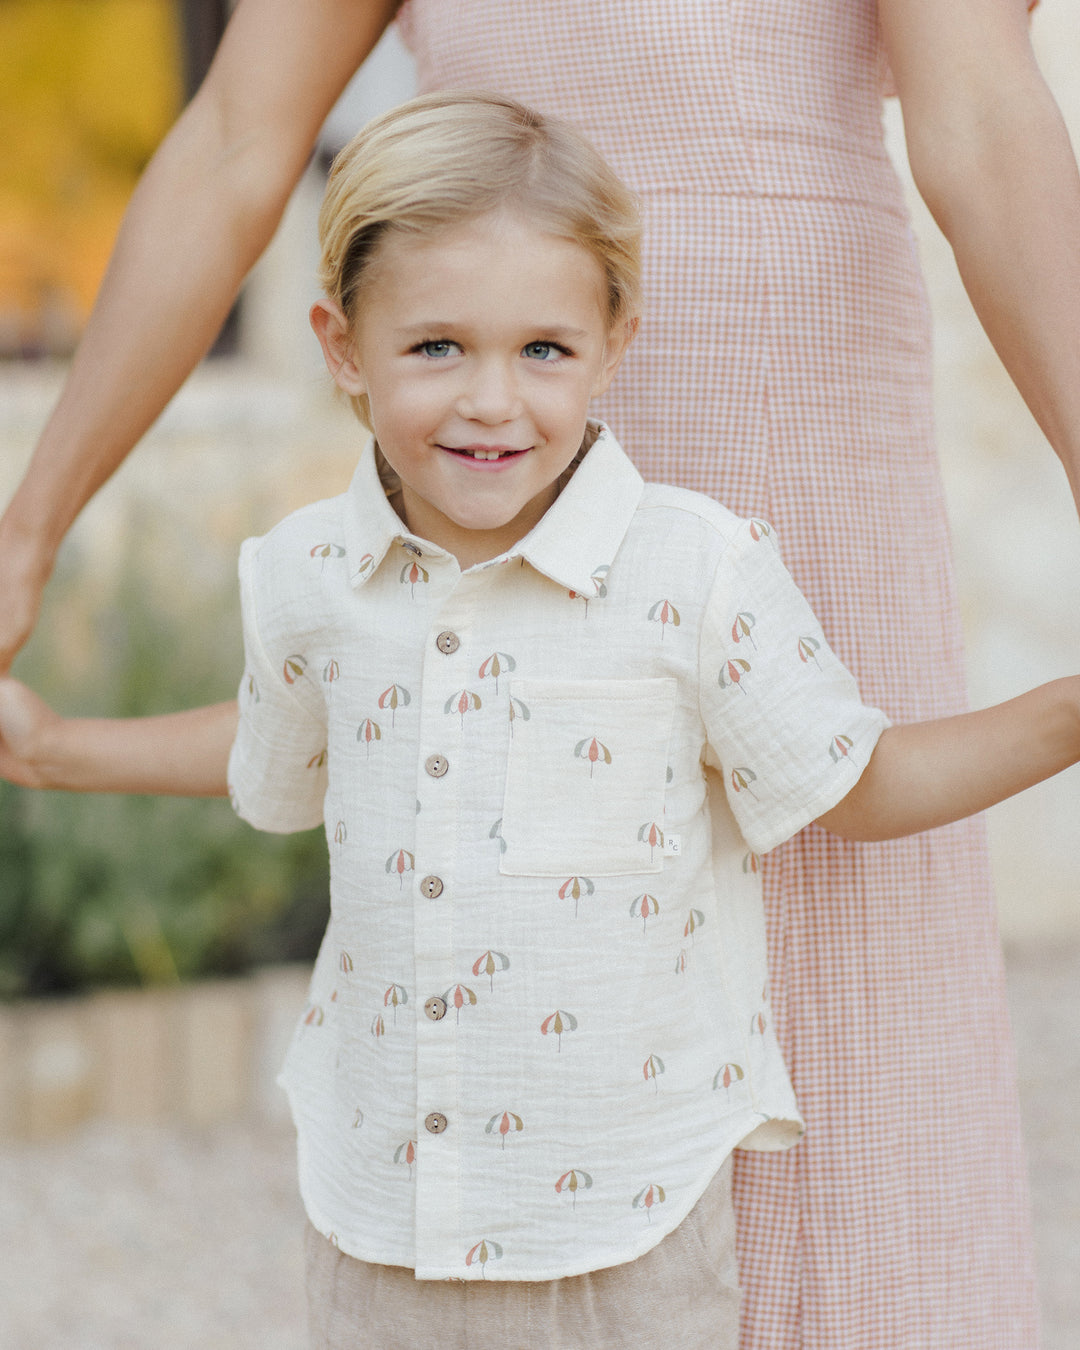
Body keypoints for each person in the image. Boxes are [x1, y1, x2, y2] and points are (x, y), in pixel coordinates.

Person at [4, 4, 1079, 1346]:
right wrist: (27, 528)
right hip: (479, 389)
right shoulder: (376, 513)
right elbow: (233, 139)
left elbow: (980, 116)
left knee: (850, 978)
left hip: (792, 413)